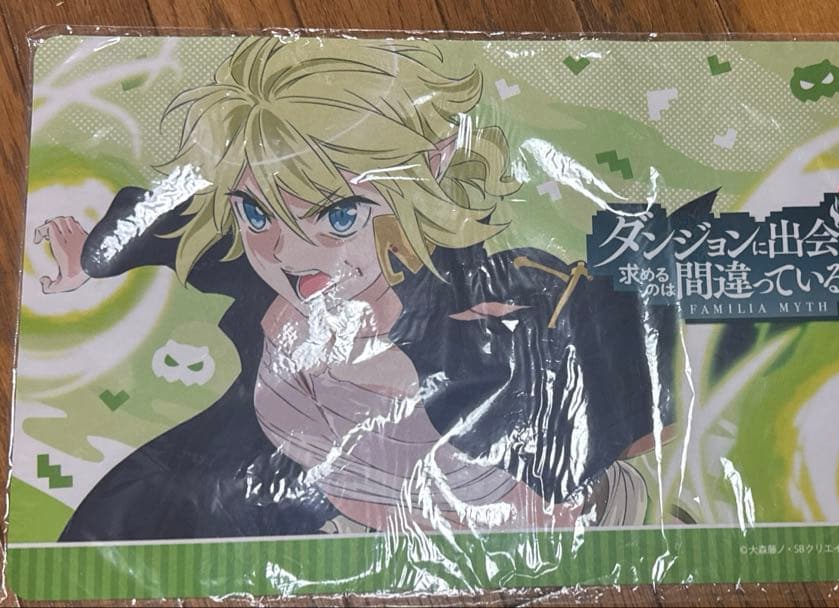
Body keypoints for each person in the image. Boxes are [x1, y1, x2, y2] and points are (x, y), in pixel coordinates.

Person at [36, 37, 676, 541]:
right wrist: (91, 255)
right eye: (257, 213)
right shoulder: (265, 274)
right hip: (257, 498)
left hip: (485, 528)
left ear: (425, 174)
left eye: (339, 215)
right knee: (119, 524)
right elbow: (172, 222)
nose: (286, 251)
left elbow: (629, 347)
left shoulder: (488, 292)